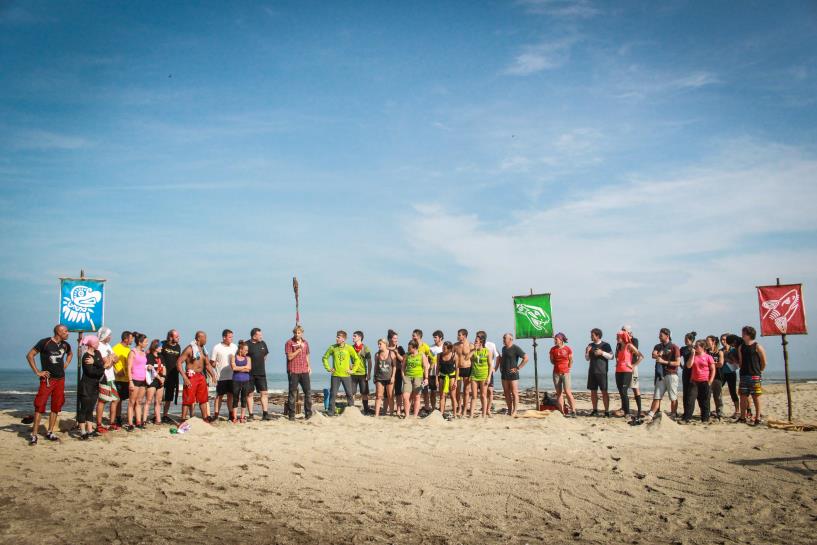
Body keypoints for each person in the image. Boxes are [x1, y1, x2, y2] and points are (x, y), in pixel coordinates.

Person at [26, 325, 73, 444]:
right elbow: (30, 355)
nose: (68, 333)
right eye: (65, 331)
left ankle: (50, 432)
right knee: (39, 405)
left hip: (60, 379)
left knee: (56, 405)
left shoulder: (65, 345)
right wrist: (37, 372)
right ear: (58, 332)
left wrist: (66, 364)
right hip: (47, 380)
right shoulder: (45, 342)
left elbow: (70, 354)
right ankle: (34, 434)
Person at [645, 328, 681, 423]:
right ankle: (651, 414)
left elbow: (677, 363)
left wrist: (663, 361)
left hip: (671, 374)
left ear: (667, 336)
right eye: (659, 335)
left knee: (673, 397)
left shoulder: (674, 347)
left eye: (661, 335)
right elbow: (653, 355)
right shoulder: (658, 346)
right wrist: (658, 355)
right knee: (657, 396)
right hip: (660, 375)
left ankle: (673, 414)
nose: (659, 337)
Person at [322, 331, 362, 415]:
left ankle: (351, 411)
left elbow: (357, 359)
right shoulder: (332, 347)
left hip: (346, 375)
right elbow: (325, 358)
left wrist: (353, 370)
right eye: (336, 337)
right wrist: (328, 368)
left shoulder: (349, 348)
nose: (336, 338)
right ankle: (331, 411)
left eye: (338, 337)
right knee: (333, 394)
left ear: (343, 339)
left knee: (349, 394)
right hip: (335, 375)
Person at [177, 331, 212, 421]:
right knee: (188, 398)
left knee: (203, 399)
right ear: (199, 338)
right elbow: (179, 362)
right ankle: (183, 419)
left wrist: (213, 375)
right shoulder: (190, 349)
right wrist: (185, 378)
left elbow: (207, 364)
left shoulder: (203, 350)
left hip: (201, 375)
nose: (206, 340)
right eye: (204, 338)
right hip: (191, 375)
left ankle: (205, 418)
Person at [78, 335, 107, 439]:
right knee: (84, 408)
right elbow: (91, 372)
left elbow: (102, 365)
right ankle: (83, 432)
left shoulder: (97, 353)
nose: (99, 344)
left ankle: (90, 430)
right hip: (86, 385)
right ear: (92, 344)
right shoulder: (86, 356)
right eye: (97, 343)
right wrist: (101, 367)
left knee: (90, 408)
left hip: (95, 385)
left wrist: (96, 363)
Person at [737, 325, 766, 426]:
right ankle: (742, 417)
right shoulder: (741, 347)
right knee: (743, 396)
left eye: (744, 333)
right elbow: (740, 362)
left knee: (756, 396)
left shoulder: (757, 346)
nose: (742, 335)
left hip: (755, 375)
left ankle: (757, 418)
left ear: (749, 334)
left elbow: (763, 361)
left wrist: (759, 370)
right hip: (743, 375)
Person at [684, 340, 715, 423]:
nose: (695, 347)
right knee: (690, 400)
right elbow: (688, 366)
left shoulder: (708, 357)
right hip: (694, 381)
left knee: (704, 401)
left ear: (703, 347)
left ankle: (705, 419)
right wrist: (692, 354)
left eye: (697, 346)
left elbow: (713, 369)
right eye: (695, 346)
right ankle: (687, 418)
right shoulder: (693, 356)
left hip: (705, 381)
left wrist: (710, 381)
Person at [614, 330, 643, 423]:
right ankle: (625, 411)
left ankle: (627, 413)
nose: (616, 338)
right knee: (621, 392)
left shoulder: (629, 345)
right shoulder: (619, 346)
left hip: (627, 371)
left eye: (618, 337)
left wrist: (633, 365)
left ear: (623, 337)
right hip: (618, 371)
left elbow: (641, 356)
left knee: (624, 391)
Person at [284, 325, 312, 420]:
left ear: (302, 333)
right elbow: (289, 357)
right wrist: (299, 349)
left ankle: (308, 414)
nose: (297, 334)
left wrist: (309, 366)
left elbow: (307, 355)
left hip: (304, 370)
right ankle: (291, 415)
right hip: (293, 371)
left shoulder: (305, 342)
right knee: (292, 393)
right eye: (295, 332)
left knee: (308, 393)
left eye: (299, 333)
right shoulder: (289, 343)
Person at [95, 327, 120, 433]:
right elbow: (106, 363)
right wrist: (111, 358)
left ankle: (112, 422)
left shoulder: (108, 346)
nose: (110, 337)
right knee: (102, 400)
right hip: (104, 377)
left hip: (111, 377)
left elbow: (116, 358)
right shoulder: (99, 346)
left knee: (115, 399)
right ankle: (99, 424)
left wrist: (111, 358)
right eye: (109, 335)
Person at [210, 329, 237, 422]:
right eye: (229, 337)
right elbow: (212, 361)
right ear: (224, 337)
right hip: (221, 377)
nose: (231, 339)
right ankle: (216, 415)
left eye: (232, 337)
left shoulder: (234, 347)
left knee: (230, 396)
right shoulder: (217, 347)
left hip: (232, 376)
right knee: (219, 396)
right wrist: (215, 366)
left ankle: (231, 415)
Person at [585, 328, 613, 417]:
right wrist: (587, 352)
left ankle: (606, 411)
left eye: (592, 335)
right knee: (593, 391)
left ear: (598, 336)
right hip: (592, 371)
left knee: (604, 391)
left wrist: (602, 353)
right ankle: (595, 410)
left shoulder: (605, 345)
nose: (591, 337)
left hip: (602, 372)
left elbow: (612, 356)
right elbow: (587, 359)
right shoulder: (590, 345)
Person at [500, 333, 528, 417]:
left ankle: (515, 411)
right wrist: (501, 367)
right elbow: (503, 359)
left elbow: (526, 358)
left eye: (505, 338)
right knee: (506, 393)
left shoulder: (515, 348)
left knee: (514, 393)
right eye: (503, 338)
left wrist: (518, 368)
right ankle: (509, 410)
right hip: (504, 374)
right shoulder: (503, 348)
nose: (503, 340)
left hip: (513, 375)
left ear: (510, 339)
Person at [246, 328, 271, 420]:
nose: (261, 336)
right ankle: (251, 415)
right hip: (249, 373)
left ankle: (265, 414)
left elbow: (265, 355)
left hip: (261, 373)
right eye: (259, 335)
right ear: (254, 336)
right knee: (249, 394)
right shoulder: (246, 344)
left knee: (264, 393)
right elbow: (242, 356)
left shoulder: (263, 343)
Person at [549, 332, 575, 417]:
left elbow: (571, 360)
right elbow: (552, 361)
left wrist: (568, 368)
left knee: (567, 392)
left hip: (565, 373)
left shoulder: (567, 349)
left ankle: (573, 411)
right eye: (554, 339)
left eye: (556, 339)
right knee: (559, 393)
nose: (555, 341)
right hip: (556, 373)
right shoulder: (553, 349)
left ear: (561, 340)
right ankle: (562, 412)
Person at [126, 332, 149, 430]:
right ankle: (130, 424)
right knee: (132, 402)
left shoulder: (144, 352)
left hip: (143, 380)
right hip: (134, 379)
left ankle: (138, 422)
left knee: (139, 401)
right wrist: (130, 381)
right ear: (140, 342)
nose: (147, 343)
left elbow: (143, 365)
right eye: (145, 342)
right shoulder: (133, 352)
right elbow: (129, 367)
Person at [402, 339, 430, 418]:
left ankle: (415, 415)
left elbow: (425, 367)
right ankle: (407, 415)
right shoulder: (406, 355)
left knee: (417, 396)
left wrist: (426, 378)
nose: (408, 349)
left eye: (410, 348)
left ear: (415, 348)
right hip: (407, 377)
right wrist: (403, 377)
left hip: (418, 377)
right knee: (405, 396)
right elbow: (403, 367)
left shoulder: (421, 355)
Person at [411, 329, 436, 413]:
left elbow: (433, 358)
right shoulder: (411, 345)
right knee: (413, 391)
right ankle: (413, 407)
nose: (412, 337)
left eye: (414, 335)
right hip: (413, 372)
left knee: (425, 391)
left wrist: (429, 368)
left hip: (423, 373)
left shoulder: (425, 346)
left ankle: (427, 407)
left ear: (419, 336)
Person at [621, 325, 643, 418]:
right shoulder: (620, 341)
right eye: (622, 330)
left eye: (624, 330)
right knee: (623, 389)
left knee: (635, 387)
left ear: (629, 332)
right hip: (623, 368)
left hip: (632, 366)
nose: (622, 332)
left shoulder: (634, 340)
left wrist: (633, 365)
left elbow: (633, 351)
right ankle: (624, 408)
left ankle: (639, 410)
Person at [111, 330, 133, 427]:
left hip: (128, 379)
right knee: (118, 400)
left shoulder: (128, 348)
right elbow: (113, 361)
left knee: (130, 399)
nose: (132, 340)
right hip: (119, 379)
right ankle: (117, 418)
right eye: (131, 338)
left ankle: (130, 418)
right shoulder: (116, 348)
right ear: (125, 339)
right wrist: (118, 370)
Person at [468, 334, 493, 418]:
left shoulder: (487, 351)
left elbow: (490, 365)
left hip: (483, 376)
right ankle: (471, 415)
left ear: (481, 342)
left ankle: (483, 414)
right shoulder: (473, 351)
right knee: (474, 396)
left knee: (483, 395)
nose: (474, 342)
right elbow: (466, 358)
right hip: (474, 375)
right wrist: (473, 350)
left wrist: (489, 377)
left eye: (476, 341)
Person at [160, 329, 182, 423]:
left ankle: (165, 415)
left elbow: (179, 360)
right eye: (177, 336)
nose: (179, 338)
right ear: (170, 337)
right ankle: (157, 415)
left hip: (173, 375)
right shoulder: (162, 343)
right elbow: (154, 354)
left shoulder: (178, 347)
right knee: (159, 396)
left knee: (169, 397)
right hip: (161, 374)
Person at [477, 330, 500, 414]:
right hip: (479, 371)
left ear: (482, 338)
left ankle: (488, 409)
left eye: (478, 336)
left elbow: (498, 356)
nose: (476, 338)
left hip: (489, 371)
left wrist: (495, 368)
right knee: (482, 392)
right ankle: (484, 407)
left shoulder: (491, 345)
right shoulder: (476, 345)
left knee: (490, 390)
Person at [350, 331, 372, 414]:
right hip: (353, 374)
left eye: (354, 336)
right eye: (353, 336)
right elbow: (346, 359)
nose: (353, 337)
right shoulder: (351, 348)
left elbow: (369, 362)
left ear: (359, 337)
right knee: (352, 393)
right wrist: (349, 367)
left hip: (363, 374)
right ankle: (351, 409)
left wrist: (369, 374)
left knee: (364, 393)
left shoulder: (365, 348)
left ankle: (366, 409)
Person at [144, 339, 165, 425]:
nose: (161, 348)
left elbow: (164, 367)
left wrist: (163, 377)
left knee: (158, 401)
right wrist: (159, 378)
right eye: (160, 346)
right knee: (148, 400)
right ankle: (144, 420)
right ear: (155, 347)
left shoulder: (161, 356)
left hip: (160, 381)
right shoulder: (149, 356)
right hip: (152, 380)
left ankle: (158, 419)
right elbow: (151, 369)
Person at [373, 338, 396, 418]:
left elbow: (394, 366)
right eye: (378, 344)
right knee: (378, 396)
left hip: (389, 378)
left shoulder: (391, 353)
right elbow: (376, 366)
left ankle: (391, 413)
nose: (379, 345)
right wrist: (374, 376)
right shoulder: (377, 354)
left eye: (380, 344)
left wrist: (393, 376)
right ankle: (376, 414)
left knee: (390, 396)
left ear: (385, 344)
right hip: (379, 378)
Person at [230, 341, 253, 422]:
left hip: (246, 381)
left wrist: (239, 368)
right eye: (245, 350)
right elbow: (234, 368)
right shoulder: (234, 357)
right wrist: (244, 367)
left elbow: (249, 369)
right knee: (235, 399)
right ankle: (235, 417)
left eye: (247, 350)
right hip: (236, 381)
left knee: (244, 399)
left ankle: (242, 417)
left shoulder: (248, 358)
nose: (247, 352)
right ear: (240, 350)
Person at [453, 329, 472, 418]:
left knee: (466, 391)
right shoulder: (455, 345)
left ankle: (464, 409)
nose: (458, 336)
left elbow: (473, 360)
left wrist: (472, 373)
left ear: (464, 336)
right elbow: (451, 356)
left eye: (459, 335)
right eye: (458, 334)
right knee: (457, 391)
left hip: (467, 368)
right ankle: (459, 407)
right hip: (458, 369)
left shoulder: (470, 345)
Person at [437, 341, 458, 417]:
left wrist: (456, 381)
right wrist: (436, 379)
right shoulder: (439, 355)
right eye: (442, 348)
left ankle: (455, 414)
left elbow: (457, 369)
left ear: (449, 349)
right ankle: (441, 413)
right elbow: (437, 368)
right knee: (442, 396)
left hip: (451, 376)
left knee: (452, 396)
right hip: (442, 376)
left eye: (444, 348)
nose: (443, 349)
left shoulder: (454, 355)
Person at [706, 335, 726, 420]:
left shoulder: (719, 352)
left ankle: (720, 412)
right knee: (707, 396)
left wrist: (710, 364)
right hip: (707, 376)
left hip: (718, 377)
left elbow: (721, 364)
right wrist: (713, 364)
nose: (707, 342)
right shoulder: (706, 352)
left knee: (718, 396)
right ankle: (707, 412)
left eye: (708, 341)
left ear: (713, 342)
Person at [721, 333, 740, 418]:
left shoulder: (733, 350)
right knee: (717, 391)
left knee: (733, 392)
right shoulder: (720, 350)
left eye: (724, 340)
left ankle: (737, 411)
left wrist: (726, 358)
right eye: (721, 340)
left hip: (731, 372)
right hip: (722, 373)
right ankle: (719, 409)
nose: (723, 341)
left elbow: (736, 362)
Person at [387, 330, 405, 416]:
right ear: (390, 339)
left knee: (398, 392)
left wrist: (396, 352)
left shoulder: (400, 348)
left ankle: (398, 409)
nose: (396, 340)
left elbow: (403, 359)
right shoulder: (385, 347)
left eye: (397, 338)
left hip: (398, 372)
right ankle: (389, 409)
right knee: (388, 393)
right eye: (394, 338)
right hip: (387, 372)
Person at [425, 330, 445, 412]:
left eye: (436, 337)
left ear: (440, 338)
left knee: (442, 392)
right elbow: (428, 360)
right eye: (434, 337)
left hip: (443, 371)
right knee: (433, 391)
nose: (434, 339)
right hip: (433, 372)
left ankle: (442, 409)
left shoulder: (445, 347)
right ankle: (433, 408)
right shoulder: (431, 348)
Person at [680, 332, 697, 422]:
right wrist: (681, 365)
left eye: (687, 339)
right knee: (685, 393)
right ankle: (685, 412)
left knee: (691, 393)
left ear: (691, 340)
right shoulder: (683, 349)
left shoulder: (696, 348)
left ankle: (689, 413)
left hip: (694, 371)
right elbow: (677, 357)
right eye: (685, 339)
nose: (685, 340)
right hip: (686, 371)